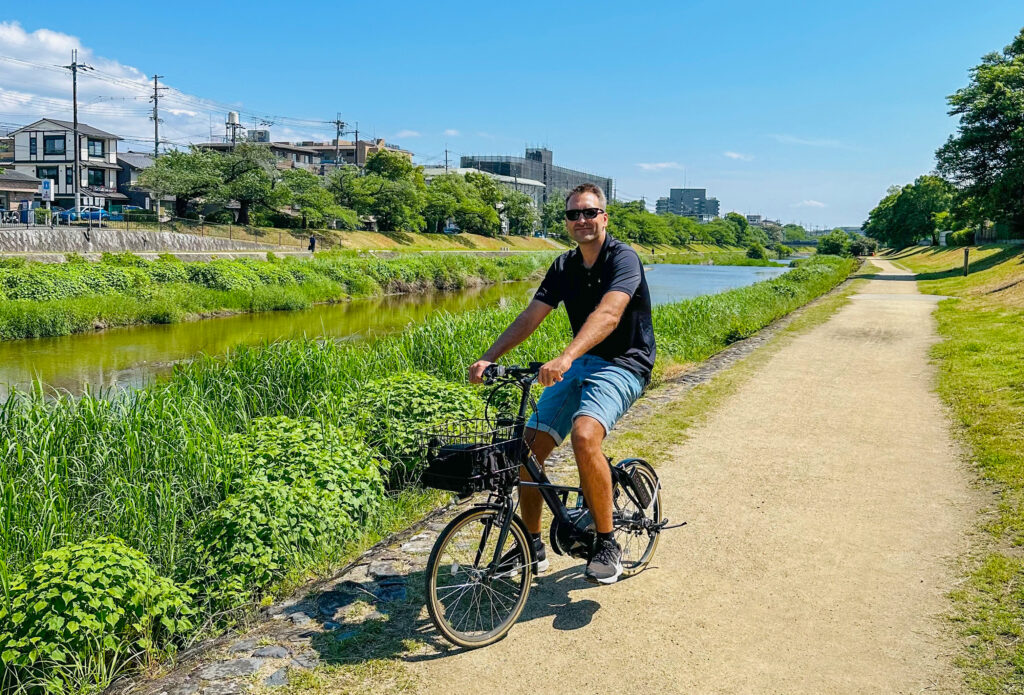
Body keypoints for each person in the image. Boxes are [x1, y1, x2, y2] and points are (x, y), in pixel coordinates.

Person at [469, 182, 655, 585]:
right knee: (527, 446)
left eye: (590, 212)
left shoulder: (623, 259)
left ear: (604, 217)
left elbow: (609, 314)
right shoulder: (564, 266)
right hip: (581, 361)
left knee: (584, 436)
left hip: (625, 363)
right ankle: (532, 547)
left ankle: (607, 543)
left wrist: (566, 357)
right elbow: (531, 315)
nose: (582, 220)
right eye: (574, 214)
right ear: (567, 222)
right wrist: (490, 356)